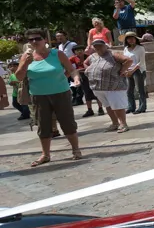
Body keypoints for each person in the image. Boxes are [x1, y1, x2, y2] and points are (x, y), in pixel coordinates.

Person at [15, 28, 84, 165]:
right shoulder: (26, 57)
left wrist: (76, 79)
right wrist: (24, 64)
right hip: (39, 96)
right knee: (43, 125)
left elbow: (71, 69)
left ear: (45, 40)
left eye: (37, 38)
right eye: (31, 40)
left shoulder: (57, 54)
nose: (34, 41)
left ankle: (76, 150)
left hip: (61, 93)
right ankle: (45, 154)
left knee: (67, 122)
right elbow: (18, 77)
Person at [84, 38, 132, 133]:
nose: (98, 47)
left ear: (105, 46)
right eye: (96, 46)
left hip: (114, 86)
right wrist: (88, 69)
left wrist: (122, 70)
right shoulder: (92, 56)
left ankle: (123, 124)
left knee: (117, 106)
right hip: (99, 87)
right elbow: (85, 63)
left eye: (100, 45)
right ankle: (115, 123)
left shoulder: (112, 54)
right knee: (108, 106)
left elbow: (128, 60)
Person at [70, 44, 103, 117]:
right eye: (77, 51)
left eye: (81, 50)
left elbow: (92, 66)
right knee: (86, 93)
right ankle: (89, 109)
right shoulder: (73, 58)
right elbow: (66, 64)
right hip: (82, 77)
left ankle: (100, 108)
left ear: (83, 50)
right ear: (74, 52)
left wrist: (78, 70)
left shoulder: (89, 57)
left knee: (96, 92)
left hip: (91, 75)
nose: (79, 52)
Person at [122, 32, 148, 114]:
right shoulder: (126, 48)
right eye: (129, 38)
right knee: (129, 90)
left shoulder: (140, 48)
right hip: (128, 70)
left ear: (136, 39)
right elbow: (124, 60)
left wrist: (132, 70)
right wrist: (125, 70)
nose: (131, 40)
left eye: (132, 38)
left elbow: (141, 62)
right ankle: (131, 106)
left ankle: (142, 107)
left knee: (139, 89)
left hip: (138, 70)